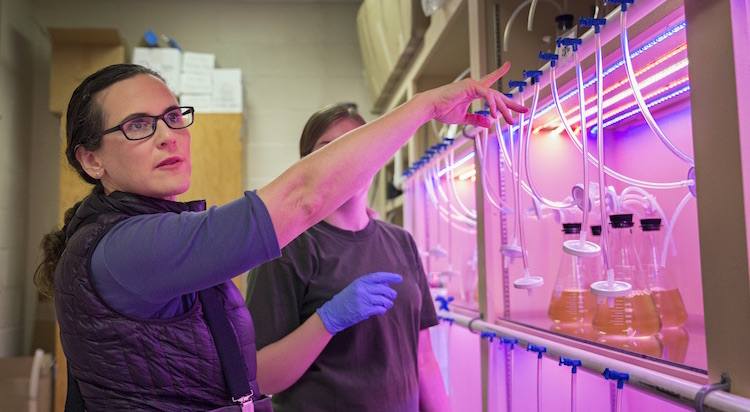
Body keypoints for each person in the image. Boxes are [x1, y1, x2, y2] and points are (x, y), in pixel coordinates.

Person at [34, 63, 524, 411]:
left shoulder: (397, 240)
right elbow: (305, 197)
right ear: (91, 160)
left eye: (173, 117)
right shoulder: (125, 248)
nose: (168, 135)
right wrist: (425, 107)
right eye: (138, 125)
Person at [245, 103, 450, 412]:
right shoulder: (286, 250)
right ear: (306, 165)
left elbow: (424, 361)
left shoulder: (401, 242)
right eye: (329, 149)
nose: (345, 158)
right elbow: (262, 378)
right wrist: (327, 320)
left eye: (356, 145)